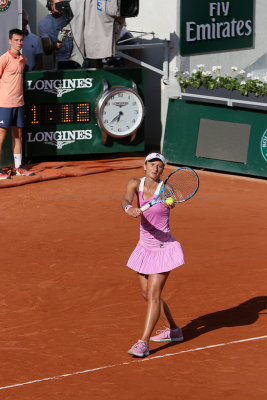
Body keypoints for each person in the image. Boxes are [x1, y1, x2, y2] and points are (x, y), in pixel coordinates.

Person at [121, 153, 185, 357]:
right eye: (152, 164)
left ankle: (143, 343)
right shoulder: (134, 183)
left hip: (163, 249)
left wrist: (170, 203)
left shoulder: (166, 189)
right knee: (146, 295)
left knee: (153, 295)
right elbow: (124, 199)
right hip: (144, 247)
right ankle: (174, 330)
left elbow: (171, 201)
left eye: (159, 166)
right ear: (144, 166)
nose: (156, 168)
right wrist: (129, 208)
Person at [0, 29, 35, 179]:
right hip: (5, 103)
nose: (19, 43)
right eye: (16, 40)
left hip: (19, 102)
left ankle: (18, 167)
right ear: (10, 41)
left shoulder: (23, 60)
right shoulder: (3, 59)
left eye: (21, 40)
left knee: (18, 135)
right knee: (1, 135)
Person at [39, 0, 79, 70]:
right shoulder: (44, 23)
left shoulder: (73, 15)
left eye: (62, 2)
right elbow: (46, 51)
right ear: (50, 5)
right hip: (62, 61)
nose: (61, 5)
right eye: (58, 3)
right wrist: (57, 43)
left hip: (79, 59)